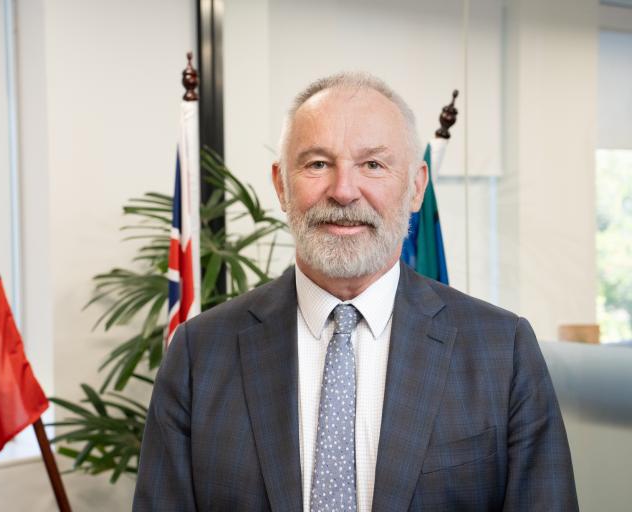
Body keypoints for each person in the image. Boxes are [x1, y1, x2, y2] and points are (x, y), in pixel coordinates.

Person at [133, 72, 578, 511]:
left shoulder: (503, 350)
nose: (344, 191)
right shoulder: (199, 353)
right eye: (318, 164)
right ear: (280, 186)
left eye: (373, 165)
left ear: (417, 186)